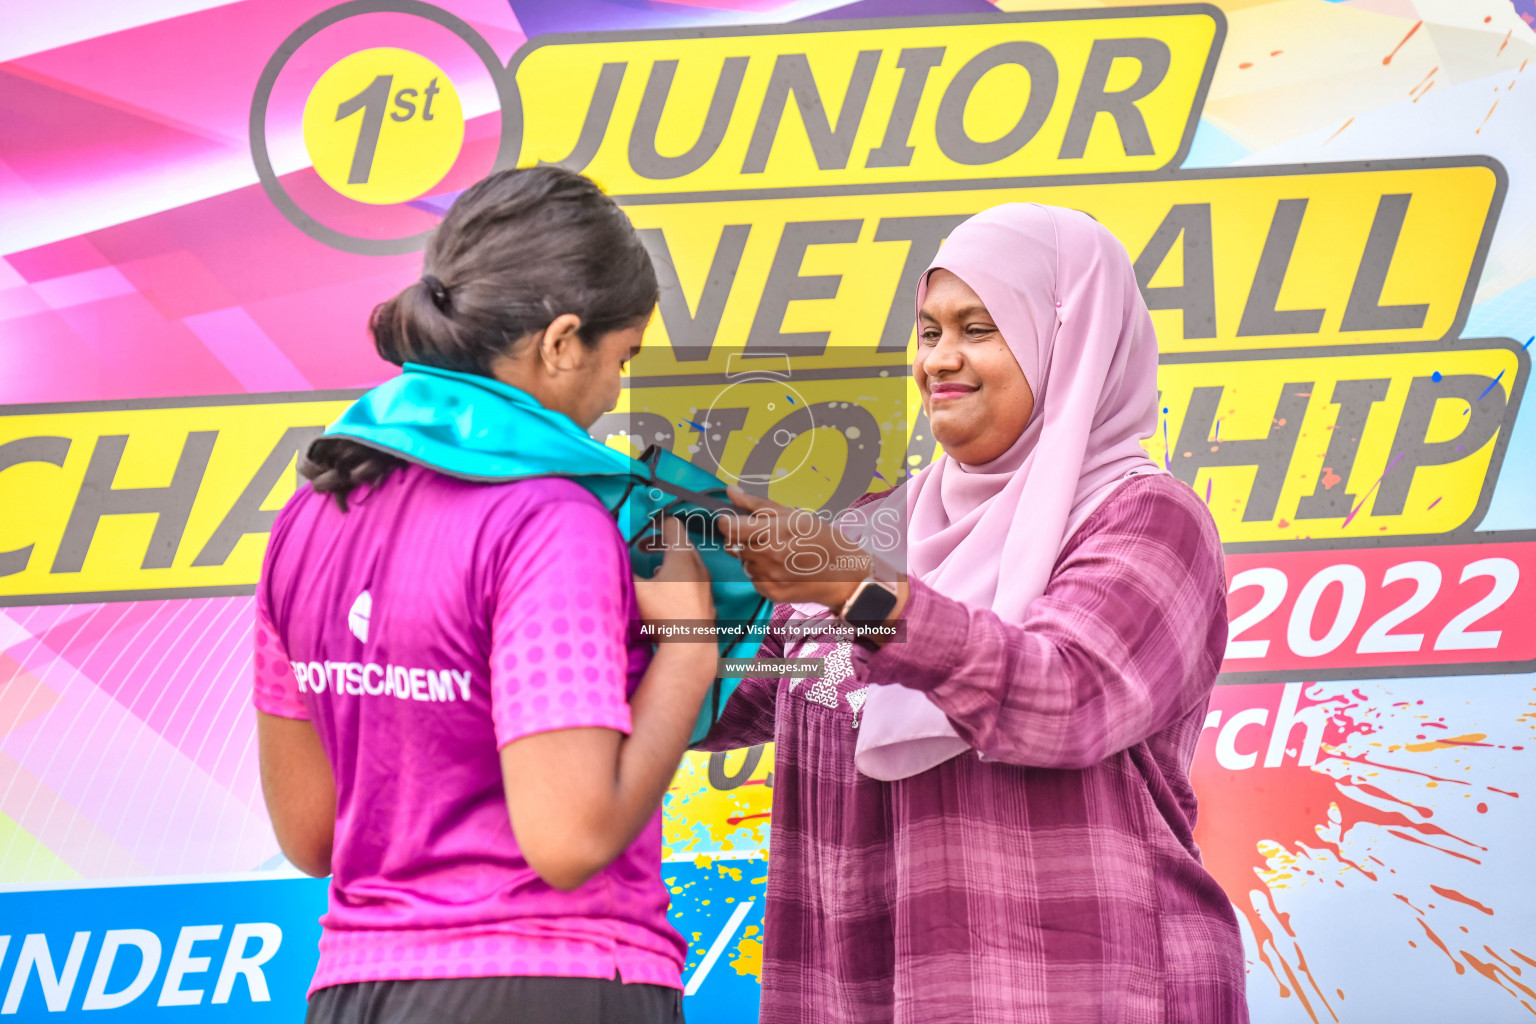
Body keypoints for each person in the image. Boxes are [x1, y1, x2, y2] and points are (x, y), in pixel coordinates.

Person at [709, 203, 1247, 1023]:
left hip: (1089, 990)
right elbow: (723, 686)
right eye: (928, 332)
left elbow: (1066, 694)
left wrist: (862, 594)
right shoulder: (868, 534)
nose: (941, 361)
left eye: (980, 328)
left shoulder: (1144, 518)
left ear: (1070, 342)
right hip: (862, 991)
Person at [253, 167, 717, 1024]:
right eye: (623, 360)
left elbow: (309, 835)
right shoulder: (550, 522)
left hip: (356, 987)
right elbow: (570, 840)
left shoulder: (308, 518)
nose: (616, 393)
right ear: (562, 341)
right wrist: (689, 645)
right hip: (552, 978)